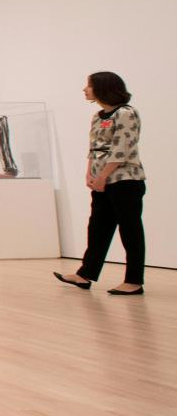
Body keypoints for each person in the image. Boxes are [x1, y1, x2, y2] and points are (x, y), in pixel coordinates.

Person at [54, 71, 146, 295]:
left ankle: (134, 281)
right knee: (97, 229)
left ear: (104, 88)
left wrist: (103, 176)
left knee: (130, 230)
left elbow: (121, 149)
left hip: (124, 181)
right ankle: (85, 274)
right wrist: (90, 174)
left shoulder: (126, 113)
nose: (85, 89)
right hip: (101, 182)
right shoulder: (98, 116)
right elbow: (94, 148)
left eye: (89, 85)